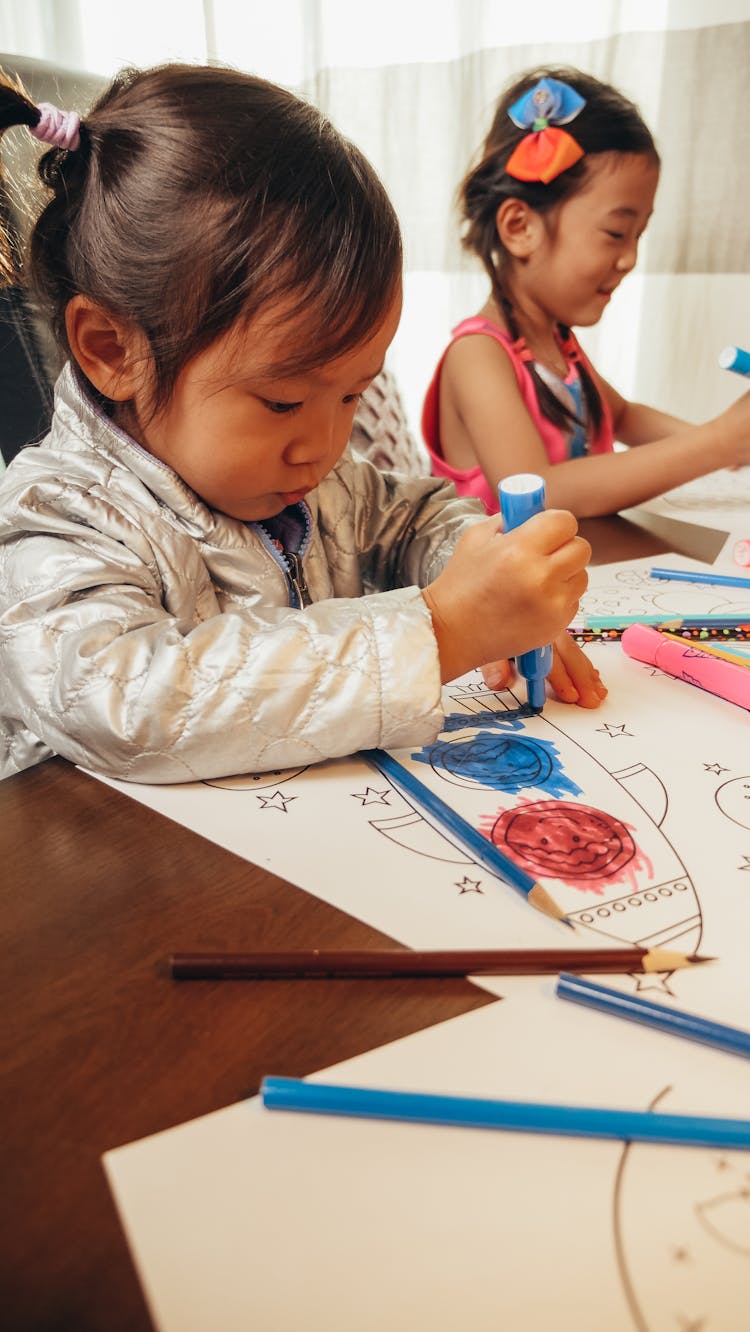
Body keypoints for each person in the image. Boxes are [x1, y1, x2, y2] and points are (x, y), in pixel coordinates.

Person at [0, 64, 604, 786]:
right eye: (283, 402)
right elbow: (128, 703)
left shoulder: (323, 487)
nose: (323, 447)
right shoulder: (55, 519)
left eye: (352, 395)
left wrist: (483, 573)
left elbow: (415, 515)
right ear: (112, 350)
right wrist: (441, 632)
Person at [423, 67, 750, 518]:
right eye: (616, 232)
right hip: (500, 588)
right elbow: (543, 493)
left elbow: (626, 417)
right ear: (520, 228)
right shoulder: (477, 355)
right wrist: (714, 443)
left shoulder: (559, 348)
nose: (631, 258)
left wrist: (735, 445)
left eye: (640, 235)